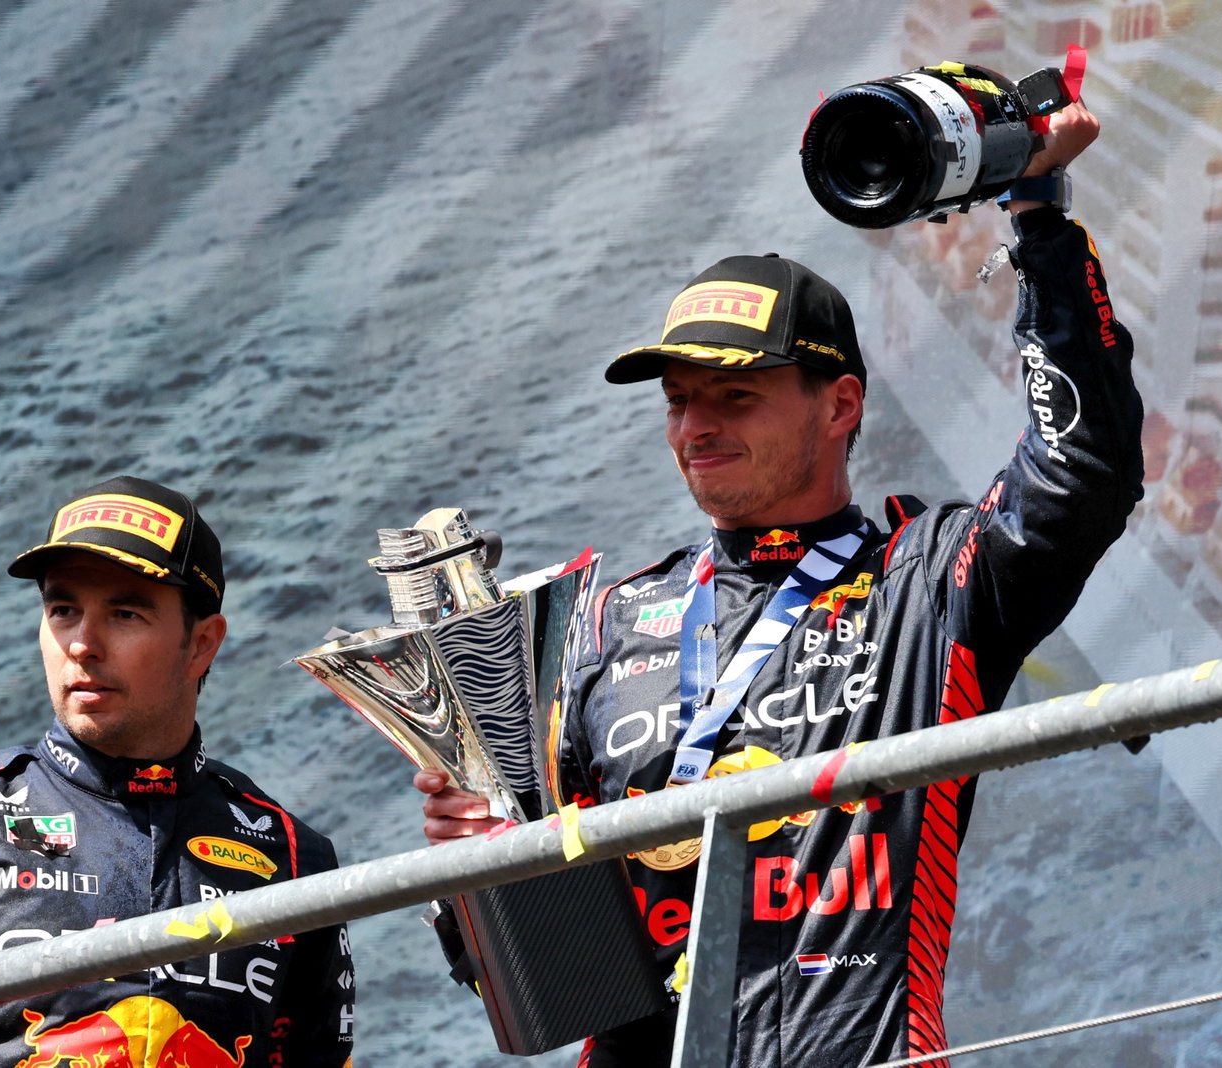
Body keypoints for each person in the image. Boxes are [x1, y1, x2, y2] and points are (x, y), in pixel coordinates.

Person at [416, 101, 1142, 1066]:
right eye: (679, 401)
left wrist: (1039, 220)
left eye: (735, 395)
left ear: (839, 405)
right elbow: (548, 980)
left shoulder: (930, 581)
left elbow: (1081, 476)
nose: (695, 427)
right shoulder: (606, 624)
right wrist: (474, 866)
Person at [0, 476, 354, 1068]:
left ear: (201, 645)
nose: (83, 644)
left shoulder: (293, 857)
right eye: (63, 610)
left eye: (124, 613)